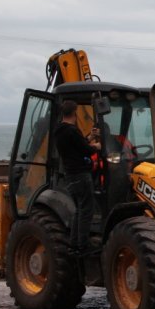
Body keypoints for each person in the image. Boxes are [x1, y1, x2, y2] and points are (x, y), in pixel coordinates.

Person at [54, 99, 101, 254]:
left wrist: (90, 138)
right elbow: (86, 150)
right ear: (74, 113)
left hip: (70, 175)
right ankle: (83, 245)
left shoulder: (59, 131)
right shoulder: (72, 130)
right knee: (87, 209)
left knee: (78, 210)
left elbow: (78, 146)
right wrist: (97, 146)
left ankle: (74, 244)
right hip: (81, 174)